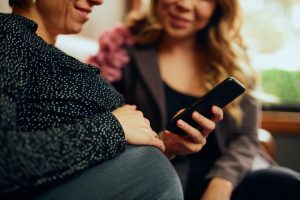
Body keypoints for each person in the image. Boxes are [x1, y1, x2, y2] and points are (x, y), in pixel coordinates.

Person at [0, 0, 224, 199]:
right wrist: (113, 126)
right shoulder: (7, 34)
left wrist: (163, 143)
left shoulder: (46, 55)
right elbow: (5, 159)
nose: (98, 1)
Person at [88, 0, 300, 199]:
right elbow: (106, 129)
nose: (184, 4)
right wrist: (163, 143)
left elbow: (246, 137)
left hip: (229, 178)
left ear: (219, 5)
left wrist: (221, 185)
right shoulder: (120, 51)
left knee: (287, 183)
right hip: (160, 177)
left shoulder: (234, 60)